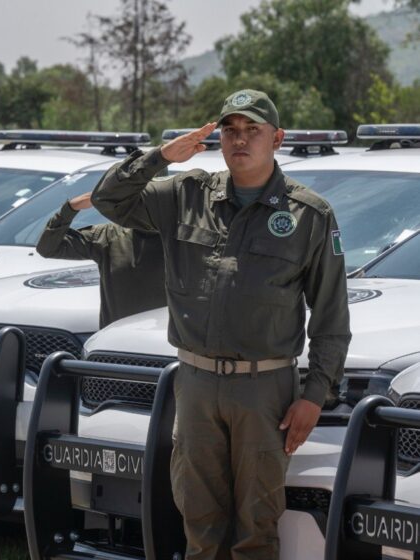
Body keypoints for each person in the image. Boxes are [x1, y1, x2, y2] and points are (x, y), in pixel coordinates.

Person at [91, 89, 351, 559]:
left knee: (257, 524)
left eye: (253, 130)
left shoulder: (308, 214)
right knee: (199, 520)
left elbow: (332, 317)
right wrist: (161, 156)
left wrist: (315, 395)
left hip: (265, 389)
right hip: (194, 383)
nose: (240, 140)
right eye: (230, 130)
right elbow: (109, 198)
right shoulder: (185, 195)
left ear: (277, 138)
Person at [35, 191, 165, 328]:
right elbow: (48, 248)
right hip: (115, 341)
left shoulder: (183, 237)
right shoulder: (108, 236)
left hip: (165, 343)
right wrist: (70, 208)